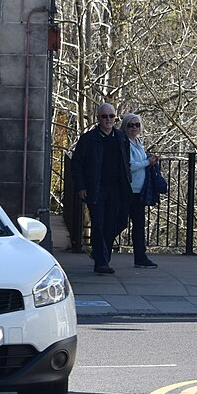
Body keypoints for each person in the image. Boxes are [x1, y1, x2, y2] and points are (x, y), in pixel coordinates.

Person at [70, 102, 132, 274]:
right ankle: (101, 262)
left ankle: (99, 253)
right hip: (95, 187)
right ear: (98, 118)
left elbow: (126, 163)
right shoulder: (88, 139)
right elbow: (77, 164)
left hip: (117, 189)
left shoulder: (121, 138)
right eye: (104, 116)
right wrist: (81, 186)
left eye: (111, 116)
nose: (108, 120)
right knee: (98, 223)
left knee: (117, 223)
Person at [120, 113, 158, 269]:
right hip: (128, 189)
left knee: (139, 224)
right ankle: (100, 249)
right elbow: (129, 166)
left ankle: (140, 257)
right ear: (125, 127)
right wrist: (146, 162)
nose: (134, 128)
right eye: (130, 125)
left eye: (137, 125)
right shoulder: (125, 143)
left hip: (139, 190)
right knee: (119, 222)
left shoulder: (138, 142)